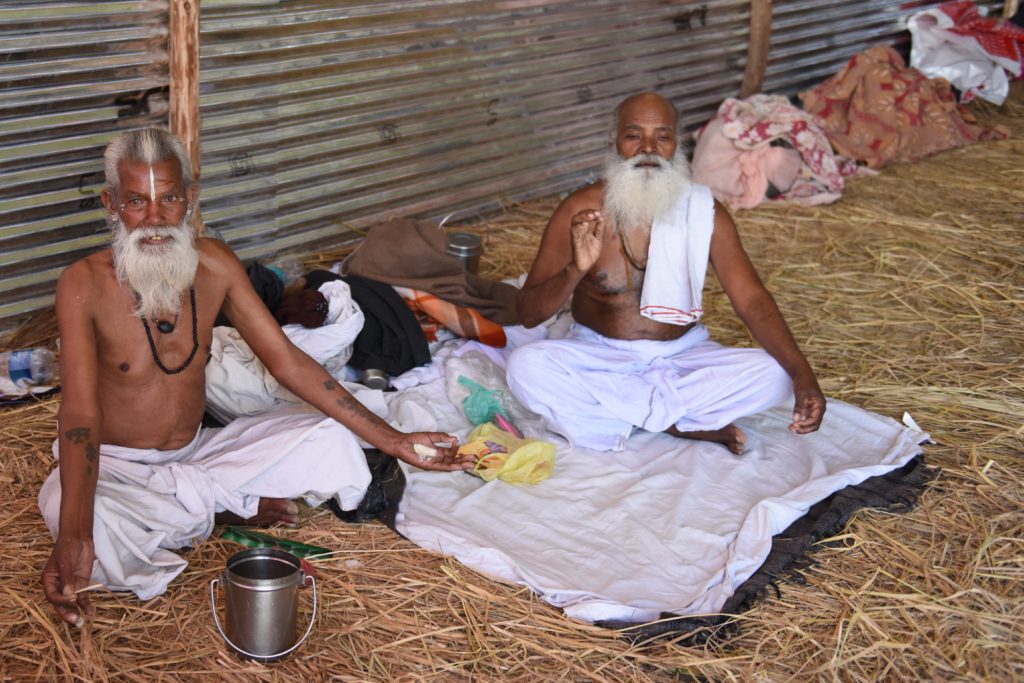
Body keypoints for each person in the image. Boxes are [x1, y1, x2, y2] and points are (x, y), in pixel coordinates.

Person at [40, 128, 473, 627]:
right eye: (137, 201)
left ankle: (209, 507)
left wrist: (394, 441)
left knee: (328, 436)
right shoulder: (82, 284)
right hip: (118, 467)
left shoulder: (215, 263)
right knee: (68, 510)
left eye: (170, 199)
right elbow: (78, 415)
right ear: (111, 205)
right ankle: (225, 511)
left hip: (198, 452)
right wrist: (75, 534)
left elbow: (286, 361)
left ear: (190, 200)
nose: (155, 220)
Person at [506, 93, 825, 454]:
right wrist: (575, 268)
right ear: (615, 143)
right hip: (600, 357)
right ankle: (679, 423)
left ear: (676, 144)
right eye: (633, 136)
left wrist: (802, 374)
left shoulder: (705, 211)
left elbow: (751, 299)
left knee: (778, 374)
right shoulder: (580, 210)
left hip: (682, 356)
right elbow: (529, 314)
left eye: (662, 136)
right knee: (525, 367)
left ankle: (628, 418)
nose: (648, 148)